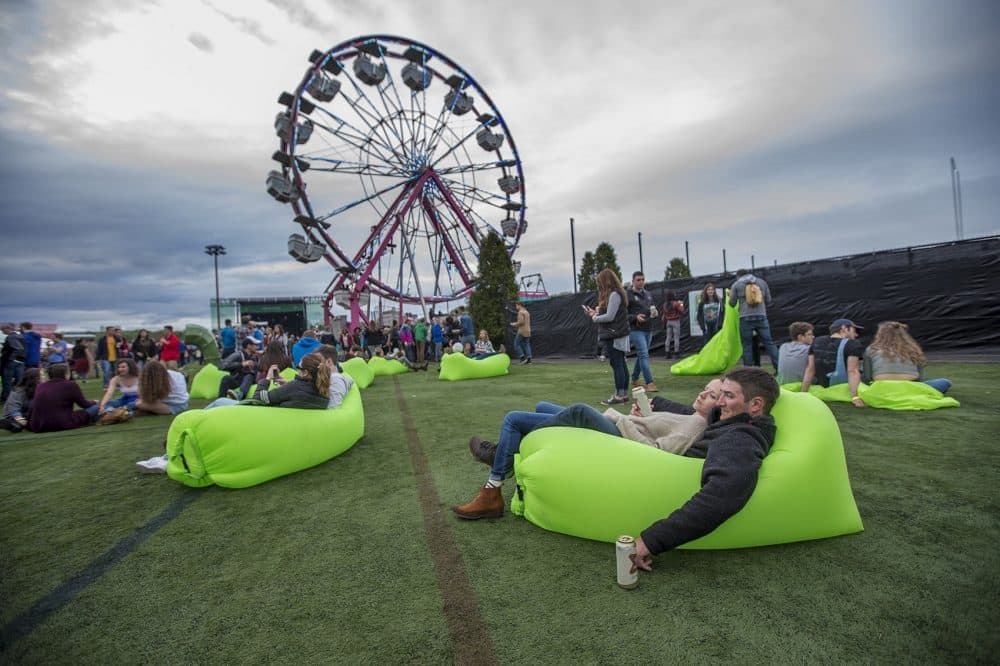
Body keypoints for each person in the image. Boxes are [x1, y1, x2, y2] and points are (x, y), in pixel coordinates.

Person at [455, 370, 775, 535]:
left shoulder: (695, 427)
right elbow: (662, 421)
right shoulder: (691, 416)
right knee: (542, 407)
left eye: (714, 394)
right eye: (705, 390)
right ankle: (506, 451)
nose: (705, 394)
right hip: (623, 426)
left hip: (620, 437)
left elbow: (656, 451)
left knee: (521, 418)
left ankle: (494, 483)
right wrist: (645, 414)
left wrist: (628, 421)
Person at [583, 268, 631, 405]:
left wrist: (594, 317)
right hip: (619, 333)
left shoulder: (614, 295)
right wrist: (596, 313)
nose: (599, 285)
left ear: (605, 281)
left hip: (615, 334)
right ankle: (623, 394)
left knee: (617, 364)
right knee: (620, 363)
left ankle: (619, 395)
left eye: (599, 282)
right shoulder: (617, 294)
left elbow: (610, 316)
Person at [863, 321, 951, 394]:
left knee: (856, 374)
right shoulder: (913, 349)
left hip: (882, 388)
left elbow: (868, 377)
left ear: (880, 334)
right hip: (910, 388)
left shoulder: (871, 349)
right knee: (944, 382)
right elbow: (920, 378)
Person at [801, 318, 866, 408]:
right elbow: (852, 371)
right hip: (842, 387)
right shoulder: (853, 344)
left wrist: (803, 393)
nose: (856, 334)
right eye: (854, 330)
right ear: (844, 328)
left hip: (822, 387)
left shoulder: (816, 341)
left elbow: (810, 369)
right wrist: (855, 397)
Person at [728, 270, 780, 371]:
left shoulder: (736, 284)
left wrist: (730, 296)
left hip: (745, 317)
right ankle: (779, 369)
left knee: (747, 345)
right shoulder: (762, 282)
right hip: (761, 316)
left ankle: (749, 373)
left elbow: (732, 303)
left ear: (738, 276)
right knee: (769, 343)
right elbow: (769, 301)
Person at [28, 363, 100, 432]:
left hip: (39, 425)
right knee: (99, 406)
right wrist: (95, 402)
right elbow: (84, 404)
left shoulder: (40, 386)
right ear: (65, 374)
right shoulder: (70, 385)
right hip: (62, 423)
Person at [627, 271, 656, 389]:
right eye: (638, 280)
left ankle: (634, 379)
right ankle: (649, 382)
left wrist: (655, 312)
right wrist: (635, 317)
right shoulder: (627, 294)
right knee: (644, 354)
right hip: (635, 329)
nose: (641, 282)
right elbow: (622, 314)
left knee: (641, 355)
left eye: (643, 279)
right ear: (633, 281)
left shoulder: (648, 294)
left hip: (648, 328)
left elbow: (651, 308)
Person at [2, 368, 41, 432]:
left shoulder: (40, 389)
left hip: (29, 412)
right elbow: (14, 410)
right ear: (35, 379)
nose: (44, 377)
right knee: (19, 425)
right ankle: (7, 423)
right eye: (42, 375)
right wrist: (21, 421)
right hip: (14, 415)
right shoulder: (18, 392)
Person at [1, 322, 26, 402]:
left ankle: (6, 398)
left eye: (3, 329)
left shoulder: (10, 337)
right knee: (19, 381)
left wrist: (12, 358)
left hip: (11, 362)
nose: (2, 331)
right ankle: (17, 398)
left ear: (8, 328)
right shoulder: (21, 336)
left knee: (7, 381)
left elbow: (18, 348)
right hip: (21, 361)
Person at [661, 291, 685, 359]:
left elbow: (664, 314)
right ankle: (676, 353)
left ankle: (667, 353)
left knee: (668, 337)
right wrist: (681, 304)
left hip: (668, 322)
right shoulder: (676, 303)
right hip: (675, 321)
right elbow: (682, 311)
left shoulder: (664, 304)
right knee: (676, 338)